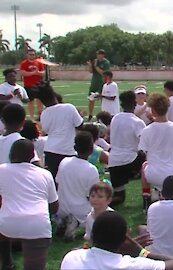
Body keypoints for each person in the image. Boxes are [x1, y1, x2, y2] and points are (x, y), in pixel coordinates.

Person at [0, 139, 58, 270]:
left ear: (11, 155)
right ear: (32, 156)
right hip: (38, 226)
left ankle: (7, 261)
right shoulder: (45, 174)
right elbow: (54, 207)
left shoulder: (1, 170)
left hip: (7, 225)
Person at [61, 211, 173, 270]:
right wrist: (142, 252)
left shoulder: (71, 257)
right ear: (123, 240)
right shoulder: (133, 265)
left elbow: (77, 252)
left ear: (92, 236)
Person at [56, 132, 100, 241]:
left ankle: (63, 221)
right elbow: (92, 197)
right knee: (107, 216)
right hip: (81, 211)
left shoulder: (64, 162)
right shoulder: (91, 169)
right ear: (91, 149)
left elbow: (58, 183)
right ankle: (75, 223)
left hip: (61, 208)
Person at [139, 93, 173, 193]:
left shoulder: (147, 130)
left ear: (153, 110)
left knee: (144, 166)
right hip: (172, 172)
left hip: (153, 174)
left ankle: (146, 198)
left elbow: (144, 152)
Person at [38, 81, 84, 178]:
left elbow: (46, 130)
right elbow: (80, 125)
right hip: (67, 150)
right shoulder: (68, 107)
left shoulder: (44, 113)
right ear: (54, 95)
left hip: (50, 151)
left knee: (53, 181)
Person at [108, 90, 146, 205]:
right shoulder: (137, 122)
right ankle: (148, 194)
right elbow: (145, 141)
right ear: (135, 103)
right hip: (130, 161)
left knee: (119, 198)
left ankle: (103, 202)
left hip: (113, 163)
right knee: (148, 160)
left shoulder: (115, 118)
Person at [19, 49, 44, 119]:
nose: (32, 56)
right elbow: (23, 73)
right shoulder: (24, 63)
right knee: (30, 102)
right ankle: (32, 118)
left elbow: (43, 73)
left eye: (33, 54)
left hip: (38, 85)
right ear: (27, 55)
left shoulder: (39, 63)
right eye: (30, 54)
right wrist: (33, 73)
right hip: (29, 85)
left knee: (40, 101)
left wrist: (38, 73)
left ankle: (40, 117)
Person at [86, 49, 111, 121]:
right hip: (94, 82)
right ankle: (90, 114)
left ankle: (104, 115)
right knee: (91, 99)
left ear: (103, 55)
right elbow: (91, 71)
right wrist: (90, 66)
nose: (98, 56)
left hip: (102, 83)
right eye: (97, 54)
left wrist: (96, 66)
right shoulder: (95, 61)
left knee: (102, 99)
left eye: (100, 54)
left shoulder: (106, 62)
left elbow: (103, 73)